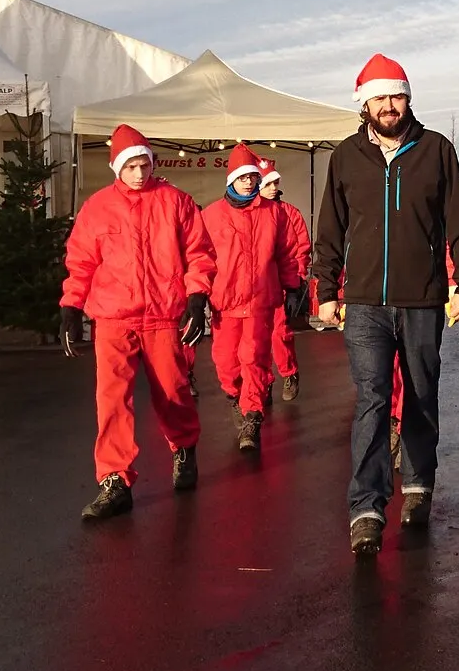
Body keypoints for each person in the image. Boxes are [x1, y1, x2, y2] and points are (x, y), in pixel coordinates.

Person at [314, 53, 459, 556]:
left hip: (422, 300)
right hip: (363, 302)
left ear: (408, 98)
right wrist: (325, 291)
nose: (389, 105)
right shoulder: (346, 156)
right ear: (364, 103)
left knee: (421, 394)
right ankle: (366, 506)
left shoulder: (435, 150)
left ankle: (417, 485)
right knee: (370, 399)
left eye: (397, 95)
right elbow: (330, 229)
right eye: (380, 97)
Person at [60, 125, 217, 521]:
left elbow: (199, 253)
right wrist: (70, 307)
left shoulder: (176, 202)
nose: (138, 173)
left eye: (143, 164)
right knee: (111, 399)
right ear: (117, 167)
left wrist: (197, 298)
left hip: (163, 315)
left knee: (173, 391)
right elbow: (81, 261)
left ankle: (183, 447)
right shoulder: (97, 207)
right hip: (113, 317)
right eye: (130, 166)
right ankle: (114, 479)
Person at [201, 144, 302, 452]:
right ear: (231, 179)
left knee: (255, 360)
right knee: (227, 364)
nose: (248, 181)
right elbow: (200, 257)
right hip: (226, 303)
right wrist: (196, 295)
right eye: (242, 176)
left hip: (261, 302)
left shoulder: (274, 214)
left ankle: (252, 417)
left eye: (252, 176)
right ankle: (235, 396)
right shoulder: (211, 215)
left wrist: (293, 286)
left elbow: (287, 253)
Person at [258, 158, 312, 402]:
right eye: (267, 183)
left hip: (282, 284)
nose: (272, 187)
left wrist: (297, 280)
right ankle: (263, 382)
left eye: (275, 183)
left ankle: (289, 373)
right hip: (258, 285)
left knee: (280, 333)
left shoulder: (289, 213)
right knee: (256, 338)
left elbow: (302, 247)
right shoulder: (251, 213)